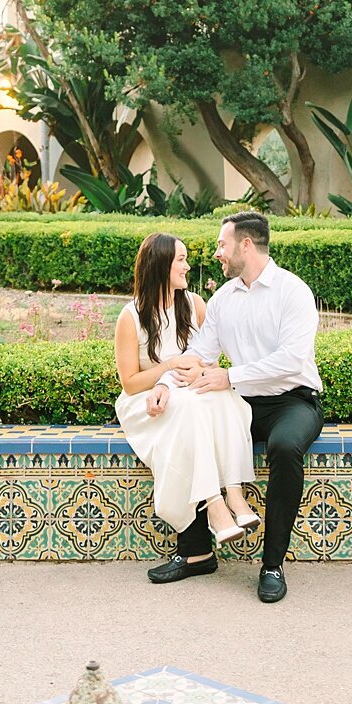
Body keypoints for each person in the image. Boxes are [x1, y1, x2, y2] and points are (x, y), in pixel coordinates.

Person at [145, 210, 324, 604]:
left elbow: (292, 360)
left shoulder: (293, 292)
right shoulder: (223, 299)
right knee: (189, 419)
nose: (216, 253)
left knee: (284, 448)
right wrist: (163, 386)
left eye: (222, 245)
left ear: (246, 244)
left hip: (292, 402)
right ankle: (196, 552)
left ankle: (272, 565)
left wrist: (230, 376)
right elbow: (197, 355)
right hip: (240, 403)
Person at [115, 232, 259, 543]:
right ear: (161, 265)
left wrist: (196, 372)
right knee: (191, 407)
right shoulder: (131, 317)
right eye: (181, 260)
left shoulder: (194, 304)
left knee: (225, 395)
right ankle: (215, 505)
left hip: (187, 390)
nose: (188, 266)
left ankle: (234, 492)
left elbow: (208, 360)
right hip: (147, 401)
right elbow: (129, 384)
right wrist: (168, 368)